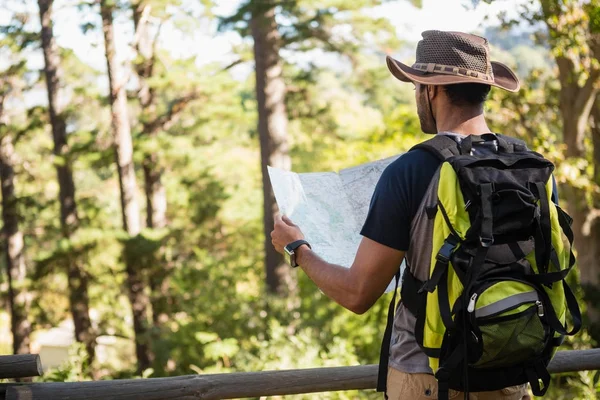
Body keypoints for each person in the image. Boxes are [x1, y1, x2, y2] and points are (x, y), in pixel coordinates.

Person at [270, 30, 533, 400]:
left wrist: (296, 247)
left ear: (432, 90)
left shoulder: (413, 170)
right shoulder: (525, 166)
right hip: (509, 369)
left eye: (416, 86)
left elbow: (358, 295)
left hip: (428, 378)